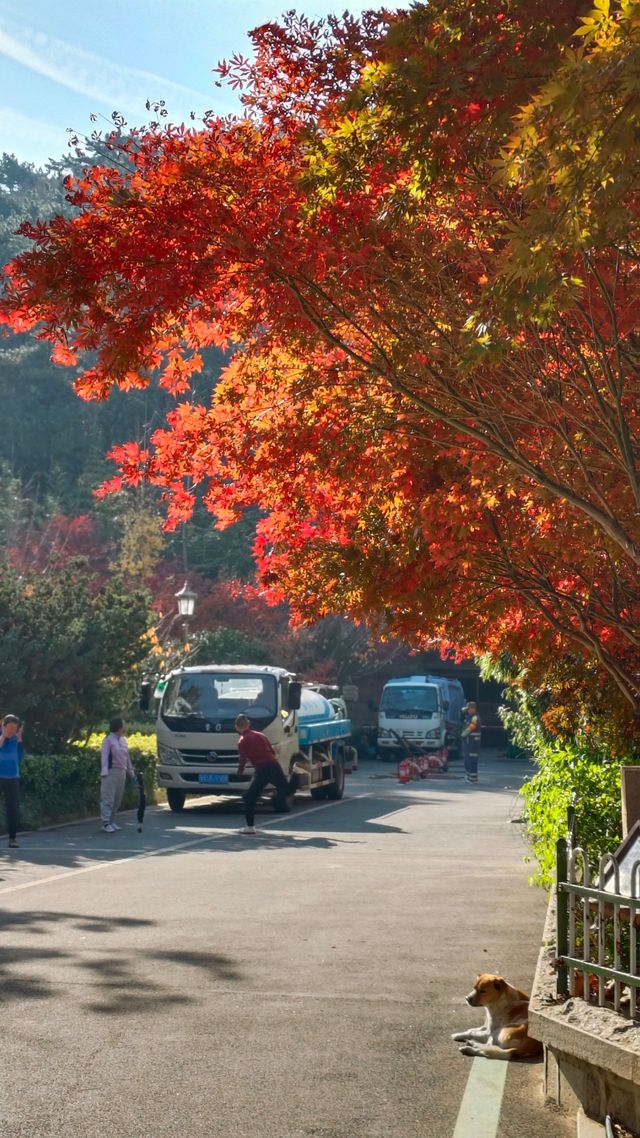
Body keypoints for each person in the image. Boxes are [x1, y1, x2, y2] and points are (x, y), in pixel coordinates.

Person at [235, 714, 296, 835]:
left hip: (262, 768)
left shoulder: (242, 740)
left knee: (249, 798)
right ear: (249, 724)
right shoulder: (261, 735)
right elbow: (272, 752)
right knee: (286, 788)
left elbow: (243, 759)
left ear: (237, 727)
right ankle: (297, 775)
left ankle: (250, 827)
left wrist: (240, 771)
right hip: (273, 765)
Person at [100, 716, 137, 833]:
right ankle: (106, 823)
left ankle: (111, 820)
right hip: (111, 772)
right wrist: (104, 772)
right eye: (124, 724)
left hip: (122, 772)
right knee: (108, 798)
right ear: (119, 727)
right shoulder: (108, 740)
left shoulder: (124, 740)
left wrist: (131, 772)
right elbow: (104, 757)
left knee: (117, 799)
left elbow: (127, 758)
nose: (126, 726)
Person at [0, 714, 24, 848]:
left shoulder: (17, 740)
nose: (11, 731)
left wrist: (19, 740)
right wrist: (4, 736)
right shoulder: (1, 737)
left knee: (13, 809)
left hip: (13, 777)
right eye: (9, 728)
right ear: (3, 726)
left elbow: (20, 757)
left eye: (14, 729)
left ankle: (12, 838)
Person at [461, 702, 482, 784]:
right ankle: (469, 777)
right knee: (467, 760)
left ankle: (473, 779)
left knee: (472, 760)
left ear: (473, 709)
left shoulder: (475, 718)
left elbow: (471, 728)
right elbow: (462, 717)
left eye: (468, 709)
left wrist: (463, 735)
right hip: (469, 742)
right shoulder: (470, 717)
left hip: (473, 743)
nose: (468, 711)